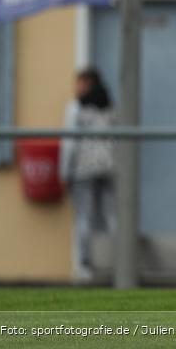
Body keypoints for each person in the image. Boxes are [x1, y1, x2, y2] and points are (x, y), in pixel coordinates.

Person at [59, 67, 115, 281]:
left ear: (88, 84)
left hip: (84, 168)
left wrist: (64, 172)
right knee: (112, 217)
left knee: (84, 217)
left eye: (80, 82)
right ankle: (119, 264)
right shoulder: (109, 107)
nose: (76, 87)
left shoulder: (76, 108)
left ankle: (85, 267)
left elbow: (69, 143)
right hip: (108, 166)